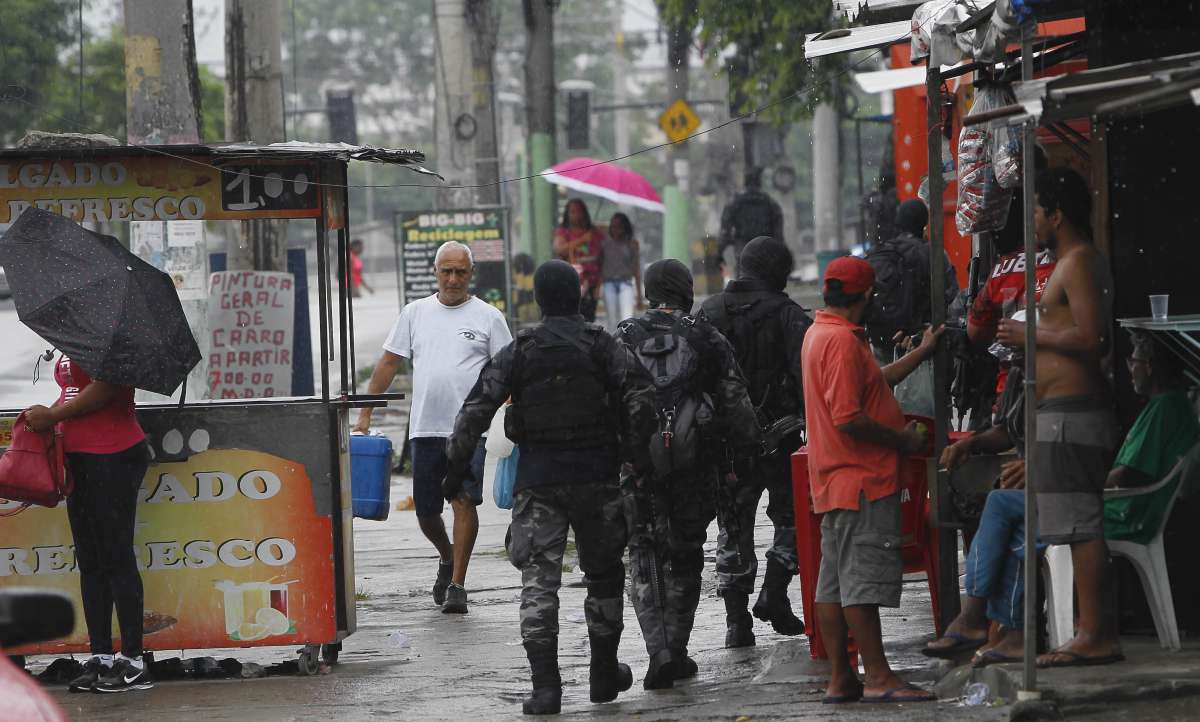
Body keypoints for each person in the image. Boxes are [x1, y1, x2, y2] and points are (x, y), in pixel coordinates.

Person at [441, 260, 656, 715]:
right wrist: (632, 454)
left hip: (539, 482)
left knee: (539, 583)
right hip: (597, 478)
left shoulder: (521, 350)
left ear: (538, 300)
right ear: (578, 296)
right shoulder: (603, 345)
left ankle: (546, 689)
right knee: (604, 575)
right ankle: (602, 673)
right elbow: (642, 399)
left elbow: (475, 409)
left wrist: (454, 468)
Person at [927, 331, 1200, 664]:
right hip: (1102, 498)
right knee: (1015, 526)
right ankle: (1004, 629)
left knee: (1002, 504)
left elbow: (1124, 475)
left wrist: (1047, 475)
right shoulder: (1158, 405)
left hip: (1118, 507)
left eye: (1135, 360)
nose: (1130, 368)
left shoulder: (1161, 407)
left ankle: (977, 617)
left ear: (1152, 366)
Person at [996, 167, 1123, 668]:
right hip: (1058, 414)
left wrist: (1032, 335)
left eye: (1035, 211)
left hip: (1073, 416)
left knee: (1081, 527)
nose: (1030, 221)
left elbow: (1095, 339)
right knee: (1070, 528)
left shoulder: (1080, 263)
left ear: (1056, 214)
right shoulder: (1070, 263)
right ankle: (1090, 631)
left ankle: (1096, 634)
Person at [615, 259, 761, 688]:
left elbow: (607, 401)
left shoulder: (623, 335)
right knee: (686, 553)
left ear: (648, 290)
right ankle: (676, 651)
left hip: (637, 465)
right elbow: (734, 399)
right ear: (685, 289)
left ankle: (656, 649)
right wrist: (751, 449)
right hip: (695, 464)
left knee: (642, 554)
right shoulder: (705, 334)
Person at [802, 255, 942, 704]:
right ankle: (878, 676)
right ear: (866, 296)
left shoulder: (820, 334)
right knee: (859, 583)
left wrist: (920, 353)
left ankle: (842, 678)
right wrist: (901, 440)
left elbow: (872, 384)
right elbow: (848, 416)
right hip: (861, 480)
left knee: (835, 584)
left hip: (834, 483)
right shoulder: (841, 342)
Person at [354, 241, 511, 614]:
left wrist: (512, 414)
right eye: (447, 271)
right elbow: (389, 363)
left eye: (460, 272)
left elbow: (508, 372)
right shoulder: (415, 313)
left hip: (471, 429)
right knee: (426, 511)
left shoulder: (489, 318)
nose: (453, 279)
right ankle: (447, 555)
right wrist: (365, 413)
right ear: (435, 272)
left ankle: (457, 584)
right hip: (425, 427)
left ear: (471, 274)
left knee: (463, 501)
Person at [699, 236, 811, 647]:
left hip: (728, 447)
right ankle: (776, 590)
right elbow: (809, 379)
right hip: (782, 442)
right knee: (795, 516)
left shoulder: (708, 314)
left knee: (733, 527)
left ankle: (736, 622)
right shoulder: (789, 316)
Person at [25, 357, 152, 693]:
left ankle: (134, 660)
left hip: (112, 453)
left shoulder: (115, 339)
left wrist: (52, 416)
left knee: (116, 557)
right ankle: (100, 655)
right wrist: (42, 414)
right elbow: (72, 392)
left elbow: (104, 389)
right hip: (77, 455)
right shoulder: (78, 331)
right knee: (91, 561)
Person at [864, 199, 959, 361]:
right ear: (924, 222)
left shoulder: (882, 252)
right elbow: (951, 296)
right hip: (920, 343)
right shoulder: (933, 252)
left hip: (884, 341)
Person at [719, 168, 784, 269]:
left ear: (745, 183)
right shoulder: (770, 203)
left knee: (743, 275)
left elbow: (725, 229)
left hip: (743, 247)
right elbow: (778, 232)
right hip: (764, 247)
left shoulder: (735, 203)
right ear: (759, 183)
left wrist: (721, 251)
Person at [553, 198, 605, 322]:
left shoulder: (594, 233)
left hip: (591, 283)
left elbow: (603, 258)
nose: (576, 215)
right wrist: (581, 240)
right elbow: (559, 249)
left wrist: (599, 284)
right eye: (572, 212)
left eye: (579, 211)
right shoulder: (563, 232)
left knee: (589, 317)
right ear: (567, 214)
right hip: (571, 283)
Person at [600, 212, 643, 333]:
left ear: (625, 227)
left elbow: (636, 270)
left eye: (619, 226)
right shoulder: (605, 243)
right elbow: (600, 266)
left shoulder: (631, 244)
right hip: (608, 283)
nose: (616, 230)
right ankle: (612, 344)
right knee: (611, 319)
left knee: (628, 319)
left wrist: (639, 296)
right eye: (613, 226)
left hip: (626, 283)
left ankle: (627, 345)